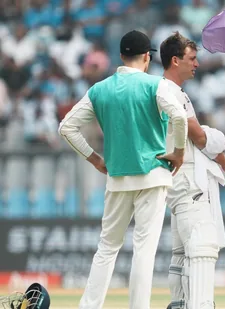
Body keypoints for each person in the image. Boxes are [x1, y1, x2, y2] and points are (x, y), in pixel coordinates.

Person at [58, 30, 188, 309]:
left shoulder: (99, 89)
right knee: (144, 250)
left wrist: (94, 158)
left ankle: (89, 306)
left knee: (106, 248)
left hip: (117, 178)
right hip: (154, 175)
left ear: (120, 56)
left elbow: (66, 127)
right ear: (146, 57)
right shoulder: (156, 85)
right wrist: (178, 152)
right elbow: (178, 116)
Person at [160, 32, 225, 309]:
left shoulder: (167, 91)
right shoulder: (170, 92)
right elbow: (199, 137)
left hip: (176, 181)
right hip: (189, 178)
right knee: (203, 248)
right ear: (175, 60)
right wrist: (223, 154)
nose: (197, 64)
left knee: (181, 254)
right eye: (192, 59)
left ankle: (179, 304)